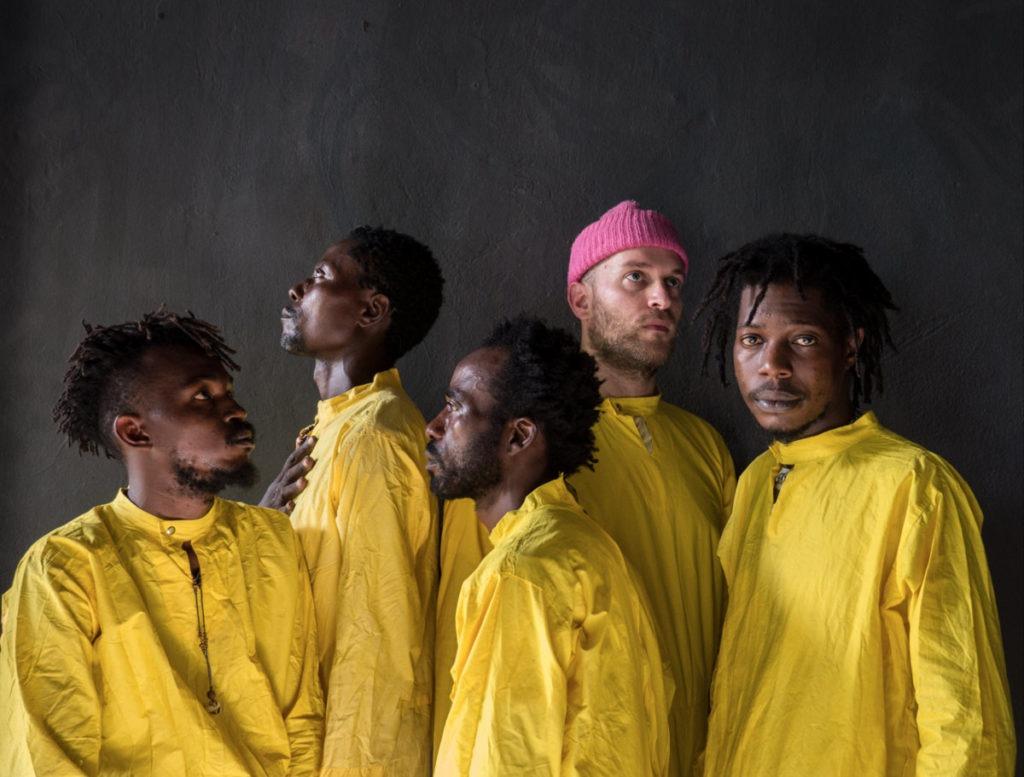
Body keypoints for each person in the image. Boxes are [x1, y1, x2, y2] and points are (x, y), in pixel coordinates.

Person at [696, 234, 1016, 776]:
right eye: (752, 339)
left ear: (850, 345)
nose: (772, 365)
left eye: (802, 340)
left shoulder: (915, 485)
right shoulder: (752, 485)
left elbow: (965, 716)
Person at [434, 201, 735, 774]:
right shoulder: (520, 450)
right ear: (581, 299)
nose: (662, 298)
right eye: (636, 277)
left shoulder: (705, 446)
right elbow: (471, 655)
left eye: (673, 282)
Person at [0, 310, 323, 776]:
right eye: (202, 396)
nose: (235, 410)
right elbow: (48, 758)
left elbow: (303, 719)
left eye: (228, 392)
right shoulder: (64, 567)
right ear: (135, 431)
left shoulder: (272, 541)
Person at [428, 317, 673, 775]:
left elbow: (507, 761)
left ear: (518, 436)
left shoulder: (521, 574)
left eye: (454, 407)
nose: (433, 427)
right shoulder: (590, 547)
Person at [280, 226, 444, 775]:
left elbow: (375, 645)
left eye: (321, 277)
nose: (297, 290)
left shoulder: (377, 436)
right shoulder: (334, 428)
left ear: (371, 311)